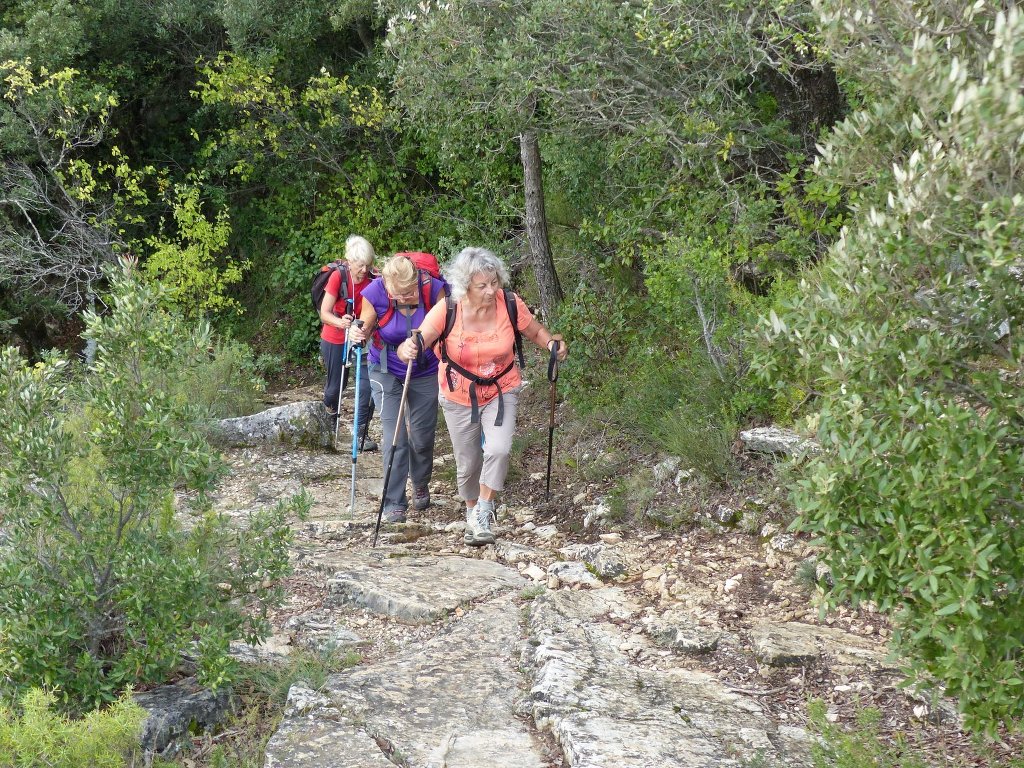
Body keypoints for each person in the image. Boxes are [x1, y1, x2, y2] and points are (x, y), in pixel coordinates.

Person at [397, 246, 568, 546]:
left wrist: (554, 345)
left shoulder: (510, 303)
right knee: (468, 463)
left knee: (499, 449)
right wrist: (407, 349)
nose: (491, 291)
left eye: (494, 282)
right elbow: (417, 341)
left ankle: (485, 510)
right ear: (466, 287)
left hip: (502, 389)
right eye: (482, 286)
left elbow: (538, 332)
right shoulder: (449, 309)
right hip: (457, 394)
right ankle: (472, 510)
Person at [348, 255, 446, 523]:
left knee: (423, 436)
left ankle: (421, 481)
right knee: (396, 437)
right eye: (398, 293)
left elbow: (445, 328)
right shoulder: (375, 292)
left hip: (425, 369)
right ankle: (393, 501)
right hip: (385, 369)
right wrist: (358, 334)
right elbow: (366, 325)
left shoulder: (434, 290)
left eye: (408, 292)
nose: (404, 298)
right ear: (386, 284)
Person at [319, 234, 377, 452]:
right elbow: (325, 314)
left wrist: (365, 329)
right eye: (360, 265)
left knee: (367, 385)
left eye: (368, 265)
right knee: (336, 387)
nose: (364, 270)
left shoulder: (373, 280)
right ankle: (329, 425)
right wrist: (341, 323)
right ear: (350, 261)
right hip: (334, 337)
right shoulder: (337, 277)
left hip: (363, 337)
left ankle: (361, 431)